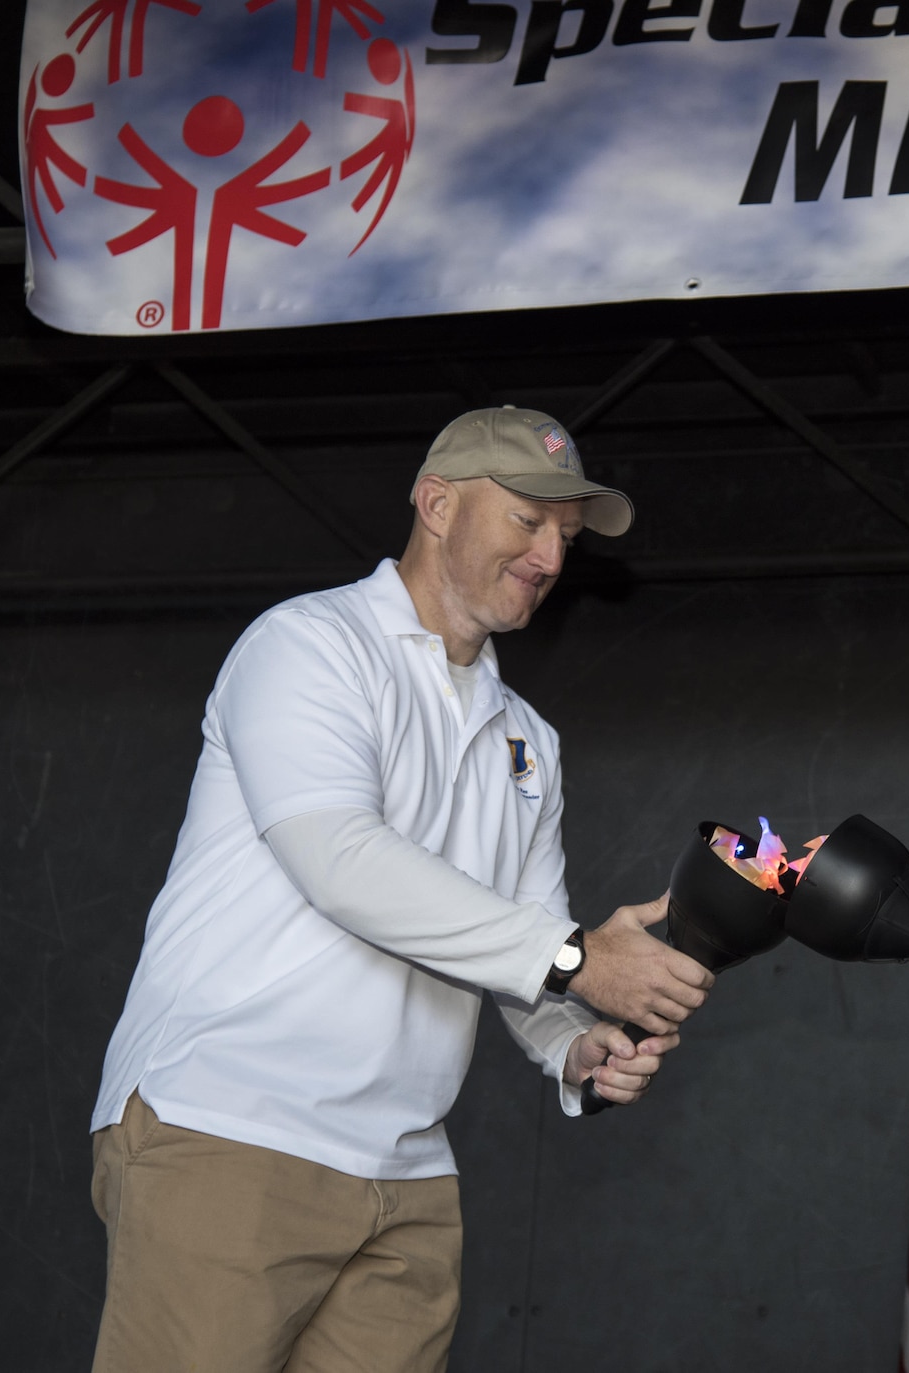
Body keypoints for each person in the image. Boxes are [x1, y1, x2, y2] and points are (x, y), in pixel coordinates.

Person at [87, 407, 716, 1373]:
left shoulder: (529, 741)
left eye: (567, 536)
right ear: (435, 502)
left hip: (410, 1178)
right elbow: (340, 857)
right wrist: (580, 960)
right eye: (526, 520)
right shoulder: (307, 644)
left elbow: (526, 950)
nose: (550, 555)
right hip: (229, 1129)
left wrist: (574, 1044)